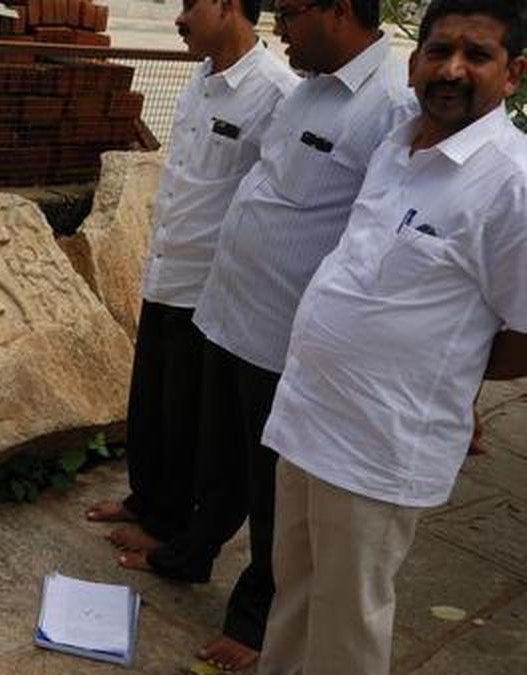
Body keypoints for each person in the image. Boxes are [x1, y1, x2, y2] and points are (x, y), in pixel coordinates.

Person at [113, 0, 418, 670]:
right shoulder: (309, 90)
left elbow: (381, 239)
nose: (280, 25)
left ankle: (255, 623)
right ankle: (188, 553)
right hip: (230, 312)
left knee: (274, 493)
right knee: (218, 465)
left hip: (285, 337)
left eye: (294, 11)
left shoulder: (390, 108)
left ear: (339, 10)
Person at [258, 1, 527, 673]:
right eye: (439, 51)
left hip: (380, 442)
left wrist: (453, 374)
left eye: (477, 54)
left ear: (513, 73)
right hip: (308, 415)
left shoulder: (512, 183)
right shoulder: (396, 144)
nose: (453, 69)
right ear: (414, 63)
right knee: (294, 591)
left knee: (348, 620)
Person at [85, 0, 297, 557]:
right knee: (151, 403)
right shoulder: (199, 81)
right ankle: (146, 499)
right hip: (165, 267)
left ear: (228, 6)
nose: (179, 20)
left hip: (211, 286)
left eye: (189, 5)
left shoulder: (277, 94)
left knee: (187, 416)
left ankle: (169, 523)